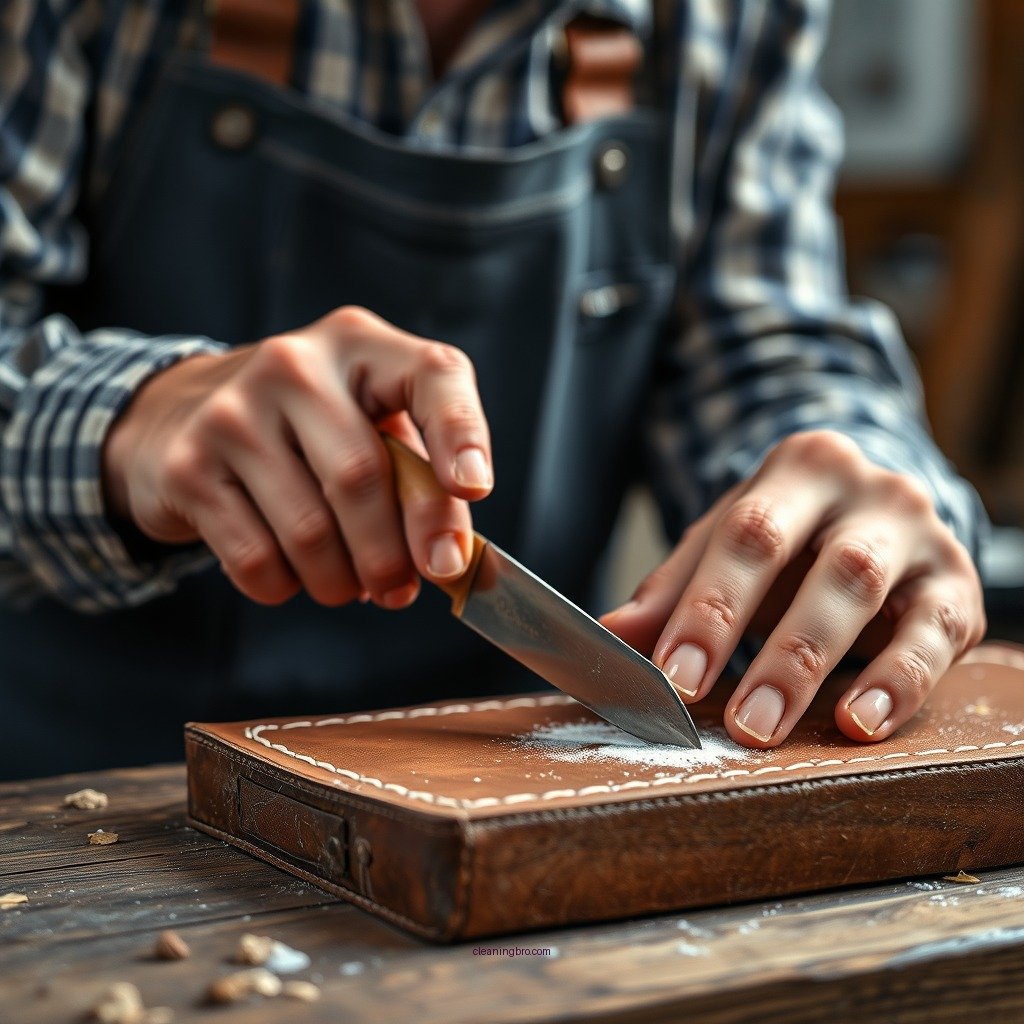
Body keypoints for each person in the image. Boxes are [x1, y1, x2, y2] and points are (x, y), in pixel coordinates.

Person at [0, 0, 986, 781]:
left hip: (521, 799)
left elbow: (767, 353)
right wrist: (124, 423)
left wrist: (856, 507)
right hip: (81, 808)